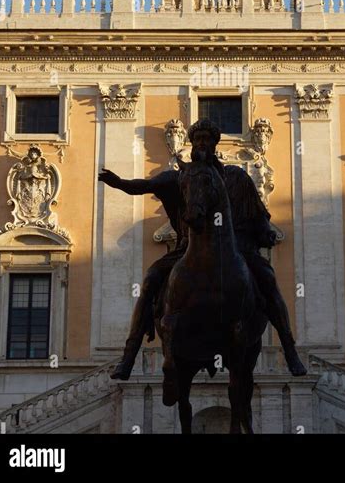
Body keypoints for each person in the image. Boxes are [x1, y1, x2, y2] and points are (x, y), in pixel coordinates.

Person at [99, 118, 307, 379]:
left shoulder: (237, 177)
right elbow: (146, 185)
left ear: (215, 143)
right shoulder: (182, 177)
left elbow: (258, 213)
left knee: (268, 281)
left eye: (207, 139)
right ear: (192, 143)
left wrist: (263, 231)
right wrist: (119, 183)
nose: (202, 144)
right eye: (197, 139)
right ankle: (128, 357)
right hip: (186, 248)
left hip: (238, 249)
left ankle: (290, 351)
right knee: (151, 280)